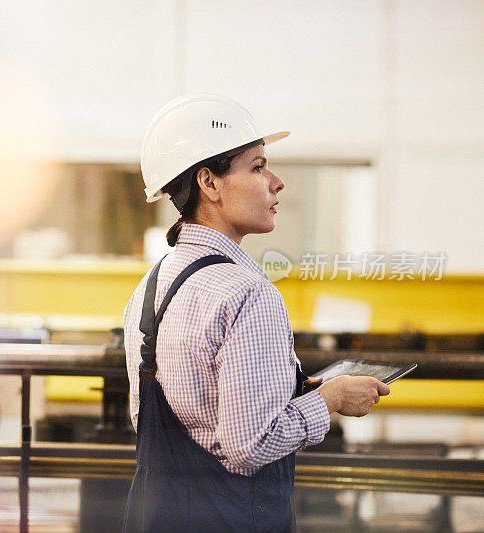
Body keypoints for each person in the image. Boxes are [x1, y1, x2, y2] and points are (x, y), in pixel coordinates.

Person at [122, 94, 391, 532]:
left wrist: (287, 391)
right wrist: (331, 399)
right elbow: (249, 447)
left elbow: (158, 418)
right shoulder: (248, 294)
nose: (277, 182)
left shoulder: (151, 286)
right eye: (258, 167)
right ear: (209, 184)